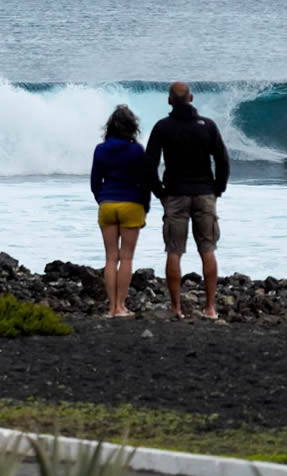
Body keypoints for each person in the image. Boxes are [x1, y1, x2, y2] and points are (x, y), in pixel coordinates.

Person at [145, 82, 230, 320]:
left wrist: (160, 193)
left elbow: (149, 164)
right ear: (191, 98)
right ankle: (210, 308)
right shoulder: (208, 126)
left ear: (169, 100)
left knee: (174, 251)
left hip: (175, 194)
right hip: (204, 193)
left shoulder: (162, 127)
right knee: (207, 249)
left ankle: (176, 308)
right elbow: (222, 160)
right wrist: (217, 189)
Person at [90, 105, 151, 318]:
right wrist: (145, 206)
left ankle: (111, 308)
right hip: (131, 204)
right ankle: (120, 306)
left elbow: (95, 182)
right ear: (132, 127)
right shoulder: (137, 150)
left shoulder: (100, 149)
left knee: (110, 258)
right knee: (126, 258)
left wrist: (102, 200)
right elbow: (145, 182)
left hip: (107, 205)